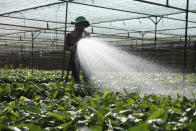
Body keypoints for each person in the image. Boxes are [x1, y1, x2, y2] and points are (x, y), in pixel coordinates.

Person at [65, 16, 90, 83]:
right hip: (74, 57)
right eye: (80, 24)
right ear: (76, 25)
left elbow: (90, 46)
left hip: (85, 57)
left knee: (86, 73)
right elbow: (66, 47)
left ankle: (87, 87)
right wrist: (71, 48)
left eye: (83, 25)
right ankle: (77, 87)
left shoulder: (87, 35)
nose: (82, 26)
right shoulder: (70, 35)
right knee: (75, 74)